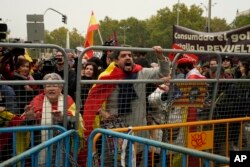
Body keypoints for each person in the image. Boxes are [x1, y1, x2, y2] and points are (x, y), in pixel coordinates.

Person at [80, 46, 171, 166]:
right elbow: (92, 99)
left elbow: (163, 72)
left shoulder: (141, 72)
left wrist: (160, 56)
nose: (128, 57)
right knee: (115, 161)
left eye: (130, 55)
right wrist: (103, 112)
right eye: (123, 56)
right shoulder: (107, 76)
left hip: (138, 126)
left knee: (136, 158)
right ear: (116, 61)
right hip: (116, 128)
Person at [22, 72, 84, 166]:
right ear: (44, 88)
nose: (51, 88)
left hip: (63, 144)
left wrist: (63, 119)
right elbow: (26, 125)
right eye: (48, 86)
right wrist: (30, 118)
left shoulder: (68, 99)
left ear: (60, 88)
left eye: (54, 85)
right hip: (39, 144)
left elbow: (76, 120)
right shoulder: (37, 99)